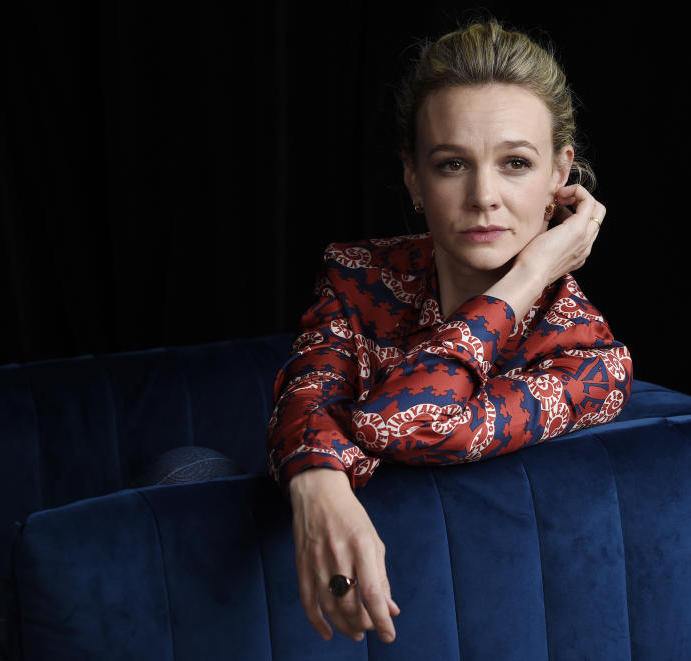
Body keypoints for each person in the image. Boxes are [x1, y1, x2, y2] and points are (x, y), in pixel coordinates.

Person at [265, 16, 633, 646]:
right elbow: (306, 394)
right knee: (185, 470)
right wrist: (317, 486)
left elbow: (399, 422)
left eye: (516, 163)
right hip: (315, 618)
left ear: (559, 174)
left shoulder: (588, 359)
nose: (484, 195)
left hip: (487, 627)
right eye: (452, 164)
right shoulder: (362, 276)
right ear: (413, 178)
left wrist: (528, 276)